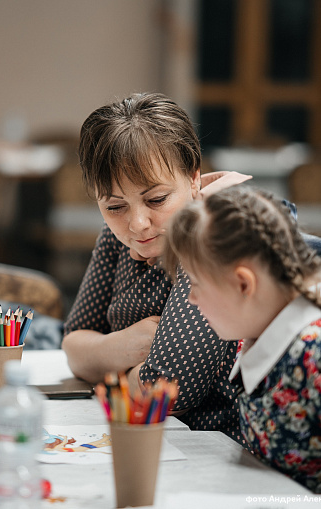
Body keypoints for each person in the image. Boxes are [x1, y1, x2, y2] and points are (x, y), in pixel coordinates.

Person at [62, 92, 253, 443]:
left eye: (156, 200)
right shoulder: (116, 236)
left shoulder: (214, 233)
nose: (138, 224)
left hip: (221, 449)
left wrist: (105, 363)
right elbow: (73, 346)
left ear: (194, 179)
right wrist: (133, 344)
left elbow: (170, 390)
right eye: (115, 206)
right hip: (147, 439)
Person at [162, 185, 321, 493]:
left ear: (243, 284)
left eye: (195, 283)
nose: (191, 299)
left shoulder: (313, 355)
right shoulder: (253, 336)